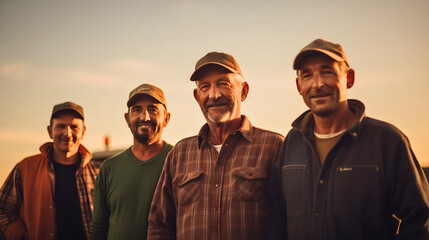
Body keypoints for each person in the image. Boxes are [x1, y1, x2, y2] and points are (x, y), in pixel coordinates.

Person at [267, 38, 429, 239]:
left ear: (349, 78)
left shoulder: (388, 141)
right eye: (307, 75)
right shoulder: (292, 142)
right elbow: (276, 217)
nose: (317, 84)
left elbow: (420, 219)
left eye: (327, 72)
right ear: (299, 86)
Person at [147, 52, 284, 239]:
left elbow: (286, 222)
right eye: (205, 87)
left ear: (243, 91)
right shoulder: (179, 154)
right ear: (197, 97)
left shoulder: (274, 146)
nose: (214, 94)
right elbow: (159, 227)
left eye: (223, 84)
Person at [0, 101, 98, 240]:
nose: (67, 133)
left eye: (74, 127)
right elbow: (3, 210)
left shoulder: (98, 173)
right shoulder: (25, 168)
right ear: (49, 131)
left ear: (83, 132)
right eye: (61, 126)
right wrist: (20, 235)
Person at [90, 83, 173, 240]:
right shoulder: (109, 168)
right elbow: (98, 228)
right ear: (127, 119)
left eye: (153, 110)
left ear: (166, 118)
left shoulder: (178, 162)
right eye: (137, 110)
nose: (144, 117)